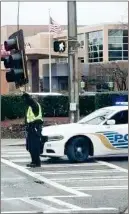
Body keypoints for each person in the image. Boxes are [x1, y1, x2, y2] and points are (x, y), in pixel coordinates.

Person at [22, 92, 43, 167]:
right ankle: (33, 161)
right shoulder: (30, 107)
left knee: (34, 146)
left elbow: (31, 102)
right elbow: (28, 118)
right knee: (30, 147)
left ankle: (37, 162)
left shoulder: (35, 106)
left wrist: (27, 97)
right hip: (30, 128)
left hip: (35, 128)